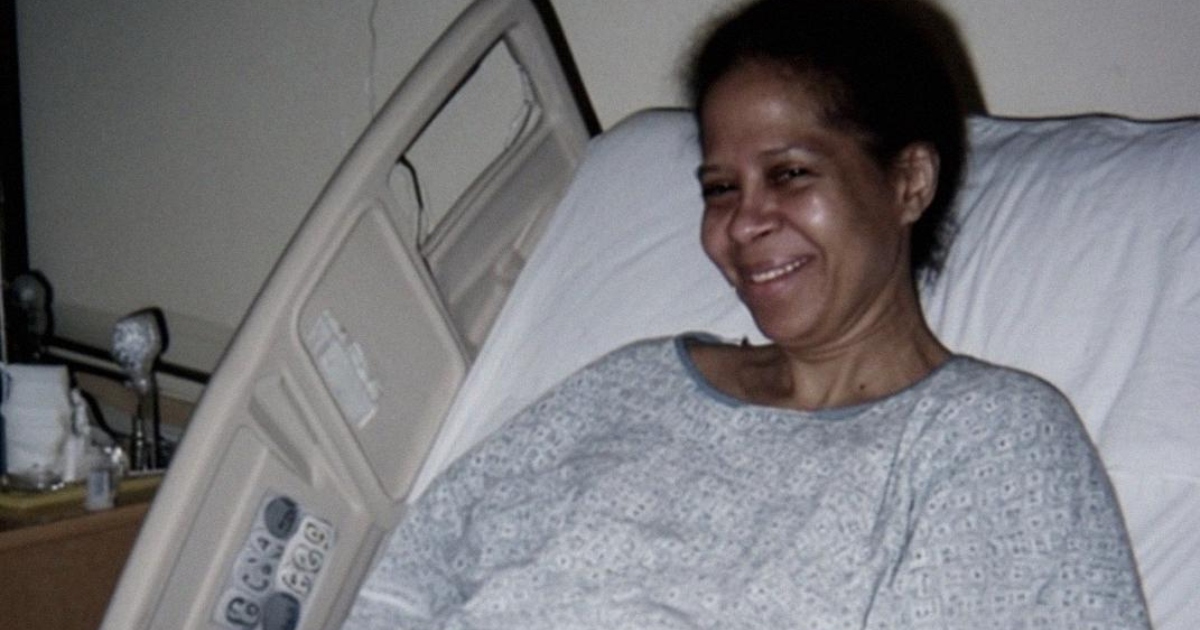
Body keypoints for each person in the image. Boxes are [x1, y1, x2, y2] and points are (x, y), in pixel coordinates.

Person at [344, 0, 1150, 627]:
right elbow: (405, 582)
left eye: (790, 173)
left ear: (908, 182)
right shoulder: (631, 386)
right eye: (720, 188)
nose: (743, 223)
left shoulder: (988, 439)